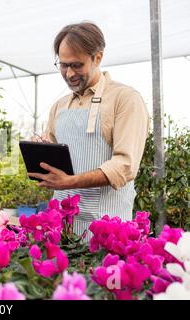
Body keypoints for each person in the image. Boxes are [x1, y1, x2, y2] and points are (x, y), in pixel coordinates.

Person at [29, 22, 149, 236]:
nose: (69, 74)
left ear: (98, 58)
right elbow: (57, 159)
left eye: (77, 65)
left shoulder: (124, 99)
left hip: (108, 231)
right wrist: (41, 152)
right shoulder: (60, 105)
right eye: (63, 65)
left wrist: (70, 182)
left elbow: (125, 166)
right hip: (64, 229)